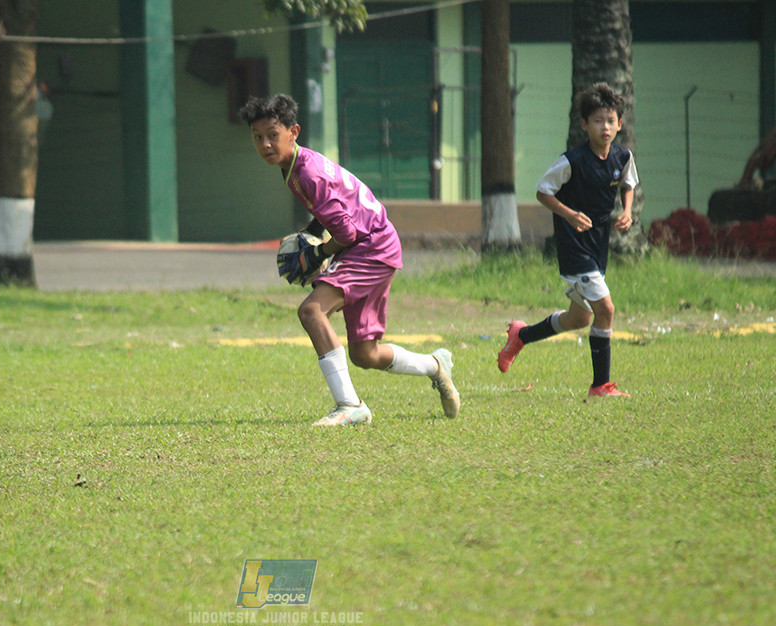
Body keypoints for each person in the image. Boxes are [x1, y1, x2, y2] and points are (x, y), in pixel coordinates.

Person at [239, 94, 459, 425]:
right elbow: (332, 214)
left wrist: (317, 253)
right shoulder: (295, 165)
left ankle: (350, 405)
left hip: (370, 247)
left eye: (273, 134)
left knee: (311, 310)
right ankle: (435, 365)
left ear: (293, 131)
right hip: (376, 243)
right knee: (365, 354)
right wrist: (313, 237)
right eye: (258, 137)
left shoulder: (307, 172)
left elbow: (346, 233)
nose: (266, 144)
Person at [498, 82, 639, 397]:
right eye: (598, 120)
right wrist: (569, 214)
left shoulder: (622, 156)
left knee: (579, 318)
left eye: (611, 120)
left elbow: (629, 183)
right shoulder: (572, 161)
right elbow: (542, 191)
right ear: (584, 125)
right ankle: (600, 385)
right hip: (575, 248)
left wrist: (627, 211)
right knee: (606, 310)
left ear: (620, 123)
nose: (605, 126)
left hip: (598, 246)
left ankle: (522, 335)